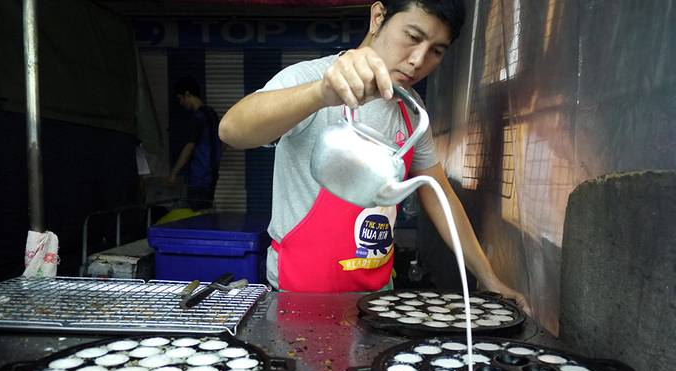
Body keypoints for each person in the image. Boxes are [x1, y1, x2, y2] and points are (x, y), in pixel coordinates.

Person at [219, 0, 529, 312]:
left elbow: (439, 194)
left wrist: (488, 278)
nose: (418, 61)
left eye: (437, 50)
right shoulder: (312, 79)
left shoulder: (411, 111)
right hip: (298, 297)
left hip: (378, 301)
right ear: (378, 17)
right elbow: (232, 130)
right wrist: (320, 94)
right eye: (412, 36)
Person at [169, 76, 222, 210]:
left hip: (199, 178)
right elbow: (221, 142)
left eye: (181, 98)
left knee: (195, 217)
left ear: (188, 94)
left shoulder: (197, 118)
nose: (181, 103)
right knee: (206, 214)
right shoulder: (212, 114)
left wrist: (173, 173)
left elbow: (189, 147)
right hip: (212, 176)